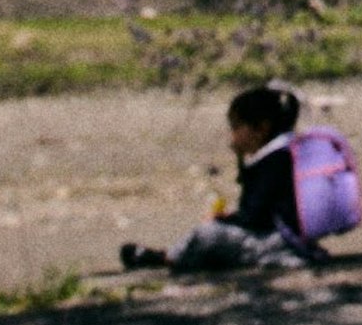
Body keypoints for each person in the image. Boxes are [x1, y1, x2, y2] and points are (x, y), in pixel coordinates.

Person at [122, 80, 320, 275]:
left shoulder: (273, 162)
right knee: (214, 230)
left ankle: (168, 258)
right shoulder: (288, 152)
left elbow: (253, 216)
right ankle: (172, 254)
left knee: (208, 234)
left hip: (277, 241)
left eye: (236, 128)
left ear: (261, 128)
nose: (232, 136)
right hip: (290, 237)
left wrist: (226, 220)